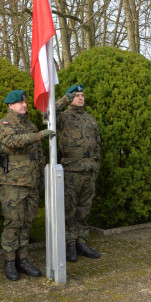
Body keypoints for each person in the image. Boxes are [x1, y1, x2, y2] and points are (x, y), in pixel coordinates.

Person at [0, 89, 55, 281]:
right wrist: (40, 135)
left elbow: (38, 153)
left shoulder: (29, 124)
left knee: (27, 223)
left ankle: (23, 259)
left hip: (31, 182)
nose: (25, 105)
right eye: (20, 103)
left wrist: (42, 175)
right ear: (10, 105)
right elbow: (13, 141)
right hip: (13, 184)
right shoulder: (4, 124)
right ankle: (10, 261)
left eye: (25, 102)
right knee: (13, 223)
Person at [56, 84, 101, 262]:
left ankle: (82, 241)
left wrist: (96, 165)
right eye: (76, 95)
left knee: (84, 209)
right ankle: (70, 244)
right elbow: (46, 115)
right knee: (69, 209)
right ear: (69, 98)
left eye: (82, 94)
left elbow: (97, 144)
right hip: (71, 170)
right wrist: (65, 99)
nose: (80, 97)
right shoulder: (62, 117)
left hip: (89, 169)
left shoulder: (90, 119)